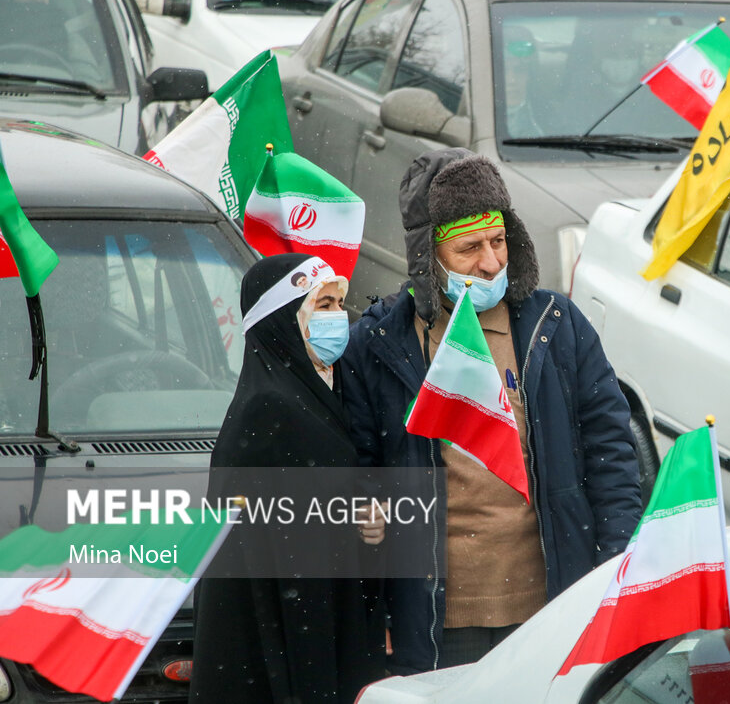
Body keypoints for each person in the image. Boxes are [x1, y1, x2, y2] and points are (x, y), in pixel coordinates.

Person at [341, 148, 641, 673]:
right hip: (437, 618)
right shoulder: (381, 344)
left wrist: (611, 570)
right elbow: (360, 471)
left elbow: (612, 455)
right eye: (469, 248)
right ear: (426, 256)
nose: (491, 262)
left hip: (548, 602)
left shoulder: (556, 327)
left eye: (499, 240)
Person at [191, 253, 385, 703]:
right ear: (282, 322)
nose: (339, 317)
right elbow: (276, 551)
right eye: (323, 305)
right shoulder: (271, 410)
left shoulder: (317, 395)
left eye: (340, 303)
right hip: (288, 640)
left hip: (319, 617)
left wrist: (367, 527)